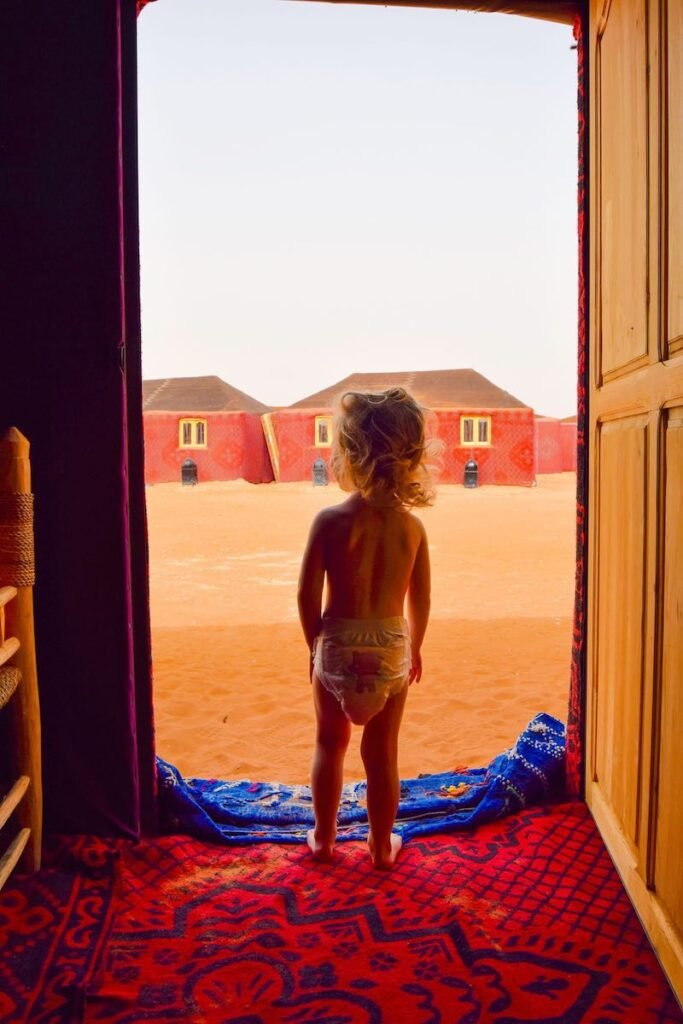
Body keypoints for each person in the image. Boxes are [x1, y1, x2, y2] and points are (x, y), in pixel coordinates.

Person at [298, 387, 435, 870]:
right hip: (391, 648)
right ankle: (380, 847)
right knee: (382, 753)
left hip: (337, 642)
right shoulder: (411, 529)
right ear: (413, 456)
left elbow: (306, 595)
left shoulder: (330, 521)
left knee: (328, 743)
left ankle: (324, 840)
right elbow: (421, 599)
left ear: (347, 452)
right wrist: (413, 647)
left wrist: (315, 646)